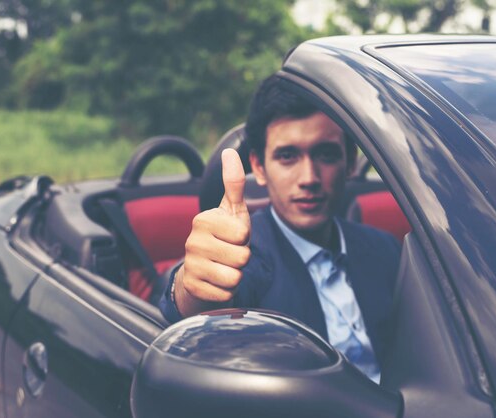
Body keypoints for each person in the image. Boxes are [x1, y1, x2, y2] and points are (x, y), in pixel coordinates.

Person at [159, 74, 400, 383]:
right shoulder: (245, 254)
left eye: (325, 154)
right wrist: (190, 288)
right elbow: (192, 305)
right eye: (288, 157)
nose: (309, 177)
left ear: (351, 162)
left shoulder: (387, 249)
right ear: (258, 167)